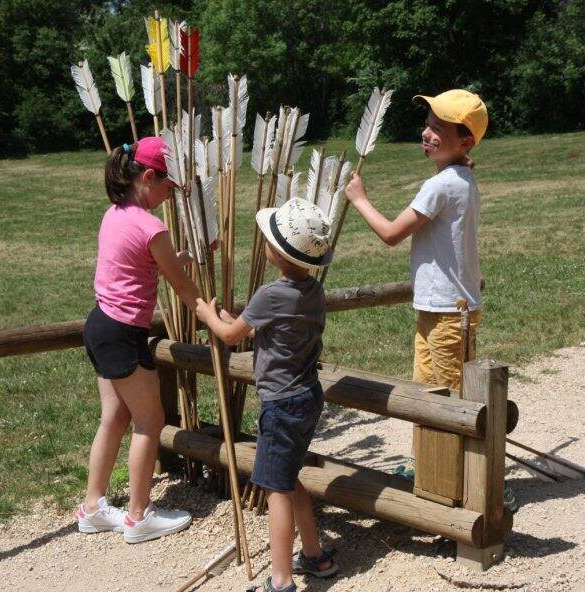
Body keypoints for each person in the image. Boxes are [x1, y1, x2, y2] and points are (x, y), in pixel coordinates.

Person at [196, 198, 338, 592]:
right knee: (289, 478)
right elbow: (267, 330)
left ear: (277, 252)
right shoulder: (312, 291)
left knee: (276, 489)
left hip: (280, 405)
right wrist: (234, 321)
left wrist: (209, 317)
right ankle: (315, 556)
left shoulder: (269, 294)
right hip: (307, 396)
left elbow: (230, 337)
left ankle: (281, 580)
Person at [77, 137, 201, 544]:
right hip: (123, 332)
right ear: (148, 177)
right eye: (167, 186)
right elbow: (183, 288)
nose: (170, 195)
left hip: (99, 324)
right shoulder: (152, 226)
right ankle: (139, 515)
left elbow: (141, 263)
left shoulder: (115, 214)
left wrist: (177, 260)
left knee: (113, 417)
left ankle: (93, 508)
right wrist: (214, 318)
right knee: (150, 422)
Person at [343, 88, 486, 393]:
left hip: (449, 312)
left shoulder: (442, 185)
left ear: (466, 142)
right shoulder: (462, 179)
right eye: (427, 124)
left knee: (451, 400)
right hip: (442, 308)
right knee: (427, 395)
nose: (426, 133)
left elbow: (391, 234)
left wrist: (360, 200)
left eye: (439, 129)